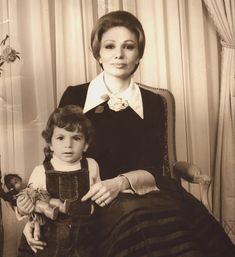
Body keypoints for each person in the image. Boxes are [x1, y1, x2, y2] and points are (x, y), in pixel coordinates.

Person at [20, 10, 234, 257]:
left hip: (146, 189)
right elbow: (55, 161)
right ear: (98, 53)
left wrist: (119, 183)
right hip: (91, 197)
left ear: (138, 55)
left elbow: (156, 167)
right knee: (131, 220)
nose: (119, 55)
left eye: (128, 47)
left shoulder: (153, 102)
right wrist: (35, 214)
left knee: (169, 226)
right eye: (110, 46)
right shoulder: (75, 95)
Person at [17, 105, 100, 257]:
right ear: (50, 144)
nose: (68, 144)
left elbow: (99, 199)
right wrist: (23, 207)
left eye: (76, 138)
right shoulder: (41, 170)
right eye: (60, 138)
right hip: (48, 243)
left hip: (84, 242)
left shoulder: (92, 166)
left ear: (86, 144)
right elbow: (31, 202)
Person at [3, 173, 69, 220]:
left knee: (55, 201)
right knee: (45, 206)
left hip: (43, 197)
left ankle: (63, 208)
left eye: (16, 180)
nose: (18, 183)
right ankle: (51, 214)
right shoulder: (21, 195)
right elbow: (21, 205)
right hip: (36, 202)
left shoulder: (29, 186)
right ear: (13, 189)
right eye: (15, 184)